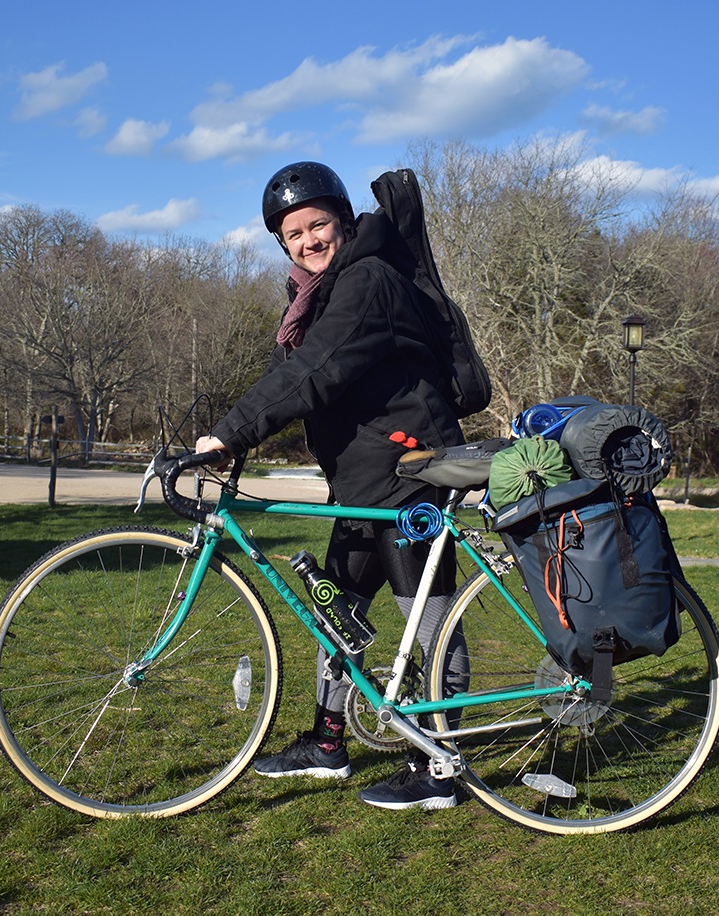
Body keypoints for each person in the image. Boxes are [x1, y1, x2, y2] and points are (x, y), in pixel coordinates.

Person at [195, 161, 471, 811]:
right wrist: (227, 433)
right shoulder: (311, 299)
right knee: (335, 617)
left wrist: (229, 434)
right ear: (282, 244)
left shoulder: (367, 282)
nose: (308, 241)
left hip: (411, 478)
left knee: (427, 627)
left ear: (342, 224)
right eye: (293, 234)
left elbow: (313, 374)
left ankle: (438, 768)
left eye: (318, 225)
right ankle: (326, 744)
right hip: (362, 485)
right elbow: (285, 375)